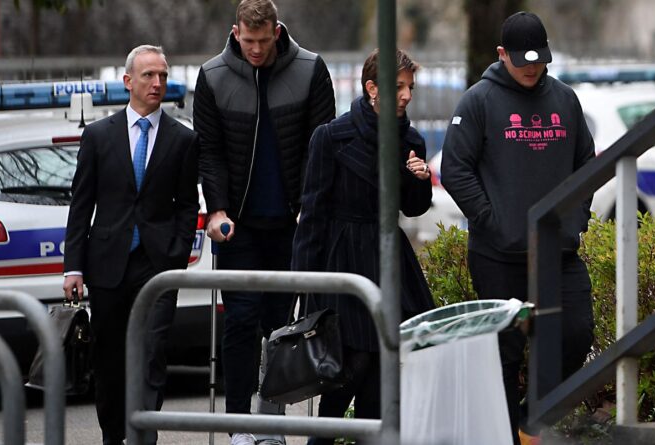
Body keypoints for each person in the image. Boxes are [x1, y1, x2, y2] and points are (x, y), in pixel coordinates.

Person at [440, 11, 596, 445]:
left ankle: (531, 420)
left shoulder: (564, 99)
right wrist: (493, 222)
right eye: (521, 59)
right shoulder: (479, 100)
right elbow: (455, 169)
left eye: (538, 59)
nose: (531, 67)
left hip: (558, 253)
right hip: (499, 256)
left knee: (576, 333)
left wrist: (575, 218)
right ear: (501, 54)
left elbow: (587, 162)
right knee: (505, 355)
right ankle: (508, 437)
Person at [192, 1, 335, 444]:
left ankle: (270, 423)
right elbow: (209, 150)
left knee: (279, 325)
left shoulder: (310, 69)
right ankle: (238, 427)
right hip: (238, 223)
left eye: (262, 40)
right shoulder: (213, 76)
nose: (255, 49)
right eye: (247, 40)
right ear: (235, 32)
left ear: (277, 31)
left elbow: (321, 145)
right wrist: (216, 209)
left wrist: (309, 208)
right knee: (239, 321)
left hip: (291, 221)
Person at [292, 48, 436, 445]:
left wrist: (419, 177)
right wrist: (302, 284)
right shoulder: (332, 136)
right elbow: (313, 213)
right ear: (372, 88)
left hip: (388, 258)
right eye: (398, 87)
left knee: (381, 378)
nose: (406, 95)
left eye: (410, 87)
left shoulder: (411, 140)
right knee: (344, 374)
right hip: (344, 261)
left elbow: (415, 206)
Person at [63, 45, 199, 445]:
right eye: (148, 76)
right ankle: (113, 435)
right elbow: (81, 203)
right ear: (128, 81)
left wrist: (176, 253)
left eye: (162, 75)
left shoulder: (182, 139)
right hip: (107, 263)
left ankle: (143, 433)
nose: (157, 83)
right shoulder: (99, 135)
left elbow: (188, 204)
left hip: (157, 265)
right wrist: (74, 266)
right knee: (108, 357)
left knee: (152, 352)